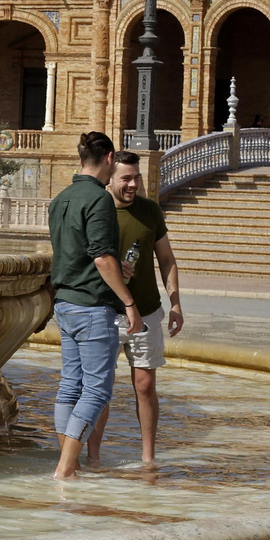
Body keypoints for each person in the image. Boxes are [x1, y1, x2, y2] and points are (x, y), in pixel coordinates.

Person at [46, 131, 145, 480]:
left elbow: (77, 253)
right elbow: (101, 258)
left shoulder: (61, 198)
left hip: (65, 303)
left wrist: (116, 264)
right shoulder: (99, 199)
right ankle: (64, 468)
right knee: (97, 389)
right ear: (109, 159)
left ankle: (68, 465)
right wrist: (129, 302)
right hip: (92, 305)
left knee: (70, 385)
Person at [85, 152, 184, 466]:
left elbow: (166, 259)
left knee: (145, 384)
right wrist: (111, 270)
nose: (132, 184)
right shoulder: (97, 210)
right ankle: (93, 457)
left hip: (147, 311)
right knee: (101, 388)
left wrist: (176, 304)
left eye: (137, 178)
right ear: (110, 178)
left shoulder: (150, 210)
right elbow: (82, 260)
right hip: (105, 312)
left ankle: (148, 457)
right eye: (126, 178)